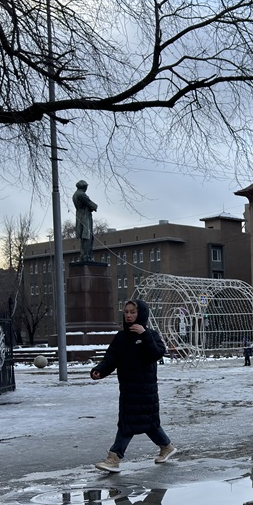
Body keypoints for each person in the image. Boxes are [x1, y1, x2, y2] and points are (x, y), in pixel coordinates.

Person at [91, 299, 175, 472]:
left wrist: (144, 335)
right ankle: (166, 446)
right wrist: (99, 370)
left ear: (141, 314)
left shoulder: (150, 334)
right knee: (149, 424)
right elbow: (111, 358)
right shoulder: (121, 337)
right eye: (126, 312)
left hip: (145, 390)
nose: (129, 315)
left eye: (133, 312)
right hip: (128, 389)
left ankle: (114, 458)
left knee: (128, 424)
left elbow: (157, 354)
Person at [73, 179, 98, 262]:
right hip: (85, 217)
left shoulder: (75, 194)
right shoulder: (82, 195)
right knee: (88, 237)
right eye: (86, 186)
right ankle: (86, 256)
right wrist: (95, 206)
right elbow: (92, 205)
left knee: (84, 238)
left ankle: (84, 255)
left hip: (79, 216)